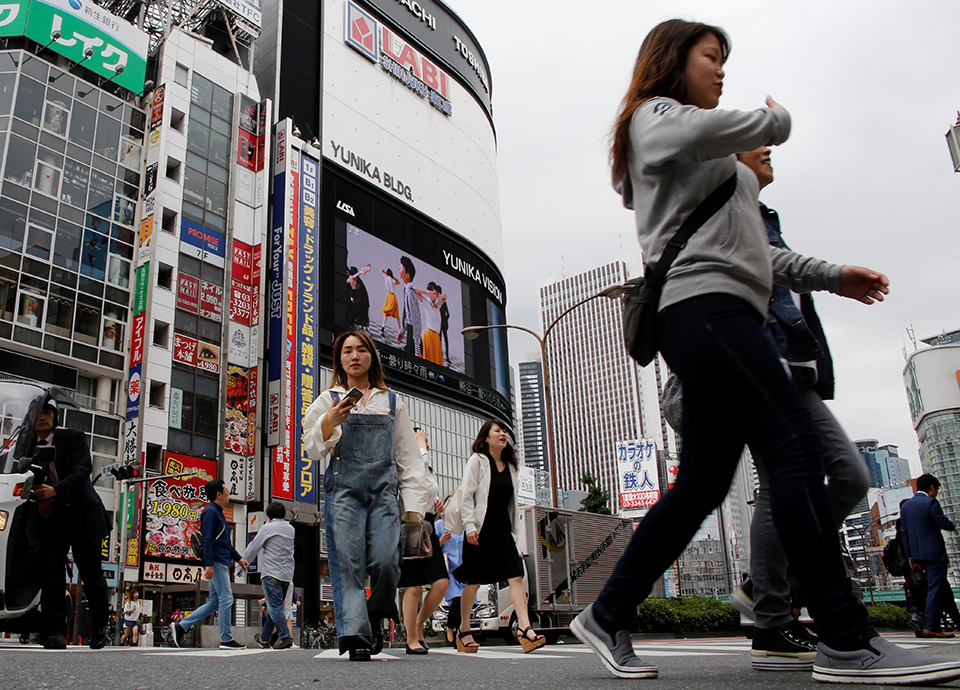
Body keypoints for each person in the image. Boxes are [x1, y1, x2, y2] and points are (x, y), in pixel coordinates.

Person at [569, 18, 960, 685]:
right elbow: (696, 133)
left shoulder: (712, 157)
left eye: (724, 60)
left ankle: (606, 613)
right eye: (711, 56)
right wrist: (770, 122)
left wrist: (835, 275)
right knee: (797, 452)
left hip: (722, 314)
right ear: (673, 60)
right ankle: (844, 637)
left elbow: (761, 251)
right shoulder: (653, 117)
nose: (721, 70)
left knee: (699, 487)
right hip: (704, 312)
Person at [730, 145, 873, 670]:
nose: (769, 150)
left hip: (792, 365)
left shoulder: (761, 212)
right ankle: (771, 615)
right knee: (790, 481)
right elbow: (763, 264)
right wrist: (835, 275)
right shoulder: (727, 201)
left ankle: (766, 587)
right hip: (762, 363)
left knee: (849, 476)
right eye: (757, 141)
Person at [303, 330, 428, 661]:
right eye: (347, 351)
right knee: (349, 564)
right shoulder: (328, 398)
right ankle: (357, 636)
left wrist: (415, 509)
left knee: (387, 561)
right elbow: (313, 448)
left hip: (385, 493)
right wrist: (330, 420)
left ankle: (375, 611)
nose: (354, 355)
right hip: (343, 491)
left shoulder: (391, 401)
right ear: (340, 359)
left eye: (361, 350)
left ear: (372, 357)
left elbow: (409, 456)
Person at [454, 421, 545, 654]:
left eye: (504, 431)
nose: (503, 434)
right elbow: (467, 496)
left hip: (503, 532)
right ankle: (464, 630)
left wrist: (516, 534)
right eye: (498, 431)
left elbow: (513, 505)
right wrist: (469, 526)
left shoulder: (512, 466)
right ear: (486, 438)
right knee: (473, 582)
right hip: (480, 530)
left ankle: (525, 628)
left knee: (515, 577)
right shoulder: (477, 461)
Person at [32, 398, 110, 650]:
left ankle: (99, 629)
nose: (42, 417)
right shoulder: (26, 444)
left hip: (84, 513)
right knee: (51, 570)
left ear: (55, 417)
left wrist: (55, 490)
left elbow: (83, 470)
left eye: (47, 413)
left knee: (91, 574)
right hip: (53, 517)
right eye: (38, 413)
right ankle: (54, 631)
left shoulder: (73, 437)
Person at [169, 479, 248, 649]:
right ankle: (226, 638)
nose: (228, 493)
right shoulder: (211, 512)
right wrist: (209, 564)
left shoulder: (217, 512)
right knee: (226, 599)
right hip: (218, 562)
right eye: (226, 490)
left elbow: (224, 542)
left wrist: (238, 558)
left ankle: (181, 626)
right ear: (218, 494)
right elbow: (206, 539)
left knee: (214, 602)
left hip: (221, 560)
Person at [398, 428, 448, 654]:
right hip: (410, 523)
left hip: (428, 525)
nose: (426, 446)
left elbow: (427, 492)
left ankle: (418, 625)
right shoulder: (410, 460)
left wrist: (438, 505)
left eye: (426, 443)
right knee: (414, 586)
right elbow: (414, 480)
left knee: (440, 583)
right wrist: (419, 440)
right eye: (424, 442)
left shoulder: (427, 467)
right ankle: (411, 638)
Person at [900, 474, 958, 639]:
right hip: (934, 553)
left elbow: (905, 533)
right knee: (935, 588)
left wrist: (911, 556)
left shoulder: (906, 506)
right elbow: (942, 522)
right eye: (937, 489)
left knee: (940, 587)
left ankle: (942, 623)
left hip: (918, 555)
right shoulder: (930, 502)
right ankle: (930, 626)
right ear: (932, 487)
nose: (936, 493)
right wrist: (953, 524)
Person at [242, 501, 295, 650]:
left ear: (269, 515)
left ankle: (285, 637)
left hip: (271, 573)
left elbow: (254, 546)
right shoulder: (291, 529)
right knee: (274, 607)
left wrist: (242, 564)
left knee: (275, 607)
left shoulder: (267, 528)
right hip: (287, 575)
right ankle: (265, 639)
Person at [434, 514, 465, 646]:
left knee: (465, 604)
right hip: (449, 570)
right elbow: (432, 547)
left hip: (464, 569)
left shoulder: (464, 524)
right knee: (457, 599)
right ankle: (450, 628)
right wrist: (443, 539)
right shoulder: (440, 525)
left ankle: (461, 632)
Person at [396, 256, 422, 356]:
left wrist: (417, 349)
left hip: (413, 338)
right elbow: (408, 317)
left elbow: (416, 321)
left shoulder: (411, 293)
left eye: (401, 267)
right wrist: (402, 331)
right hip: (410, 335)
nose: (399, 268)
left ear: (407, 275)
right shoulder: (407, 291)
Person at [416, 283, 446, 367]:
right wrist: (427, 292)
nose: (435, 296)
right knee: (428, 361)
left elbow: (445, 297)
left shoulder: (437, 305)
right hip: (429, 334)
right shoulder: (427, 303)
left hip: (436, 336)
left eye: (436, 294)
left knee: (437, 362)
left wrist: (439, 297)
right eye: (434, 294)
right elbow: (414, 289)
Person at [347, 265, 371, 329]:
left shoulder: (359, 286)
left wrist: (352, 298)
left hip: (360, 316)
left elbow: (360, 302)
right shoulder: (356, 284)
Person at [380, 268, 402, 336]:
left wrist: (384, 272)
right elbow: (399, 282)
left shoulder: (386, 278)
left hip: (388, 296)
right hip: (392, 296)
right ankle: (400, 329)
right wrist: (394, 277)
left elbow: (380, 270)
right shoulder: (393, 280)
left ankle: (383, 325)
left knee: (386, 312)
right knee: (397, 314)